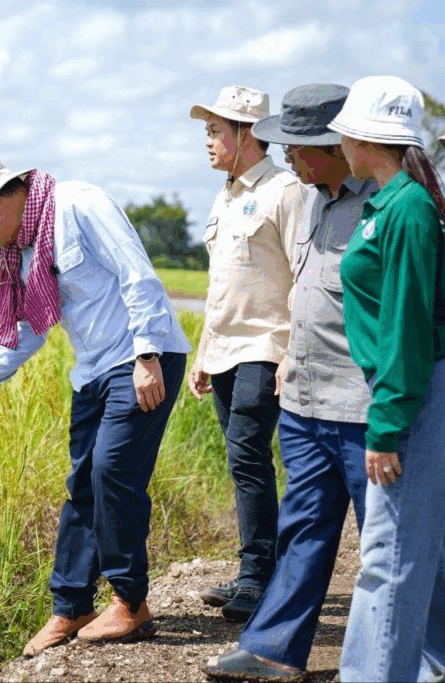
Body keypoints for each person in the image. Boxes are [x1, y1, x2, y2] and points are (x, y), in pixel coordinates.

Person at [0, 151, 192, 657]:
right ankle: (71, 607)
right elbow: (27, 331)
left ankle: (130, 603)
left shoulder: (79, 204)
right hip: (92, 370)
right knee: (82, 483)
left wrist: (148, 354)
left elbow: (138, 274)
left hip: (141, 356)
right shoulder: (22, 250)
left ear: (2, 198)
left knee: (113, 472)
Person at [200, 84, 377, 680]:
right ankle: (274, 644)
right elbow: (280, 290)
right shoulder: (303, 199)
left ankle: (409, 658)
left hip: (353, 395)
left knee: (389, 541)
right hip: (300, 389)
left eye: (301, 147)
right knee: (303, 525)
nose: (291, 157)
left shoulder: (383, 206)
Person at [325, 76, 445, 683]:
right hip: (408, 388)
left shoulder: (408, 210)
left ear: (360, 135)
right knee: (426, 549)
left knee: (388, 553)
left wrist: (388, 425)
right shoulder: (389, 201)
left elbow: (406, 326)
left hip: (412, 394)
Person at [188, 86, 307, 621]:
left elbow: (305, 275)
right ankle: (256, 569)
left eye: (216, 131)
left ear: (248, 134)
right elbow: (223, 284)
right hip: (226, 350)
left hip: (268, 345)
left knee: (246, 453)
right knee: (245, 461)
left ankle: (258, 576)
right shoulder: (225, 194)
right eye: (208, 131)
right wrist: (204, 353)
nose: (208, 142)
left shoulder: (285, 191)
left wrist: (292, 351)